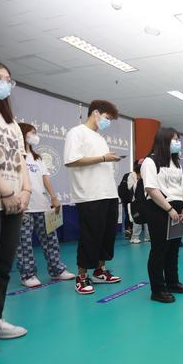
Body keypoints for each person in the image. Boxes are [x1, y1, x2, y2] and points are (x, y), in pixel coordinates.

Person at [64, 99, 122, 295]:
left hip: (109, 193)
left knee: (107, 235)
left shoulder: (100, 138)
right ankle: (81, 276)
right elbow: (71, 160)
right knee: (91, 236)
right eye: (107, 118)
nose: (108, 122)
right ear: (95, 113)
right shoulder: (77, 132)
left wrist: (108, 159)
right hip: (89, 194)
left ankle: (99, 270)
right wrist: (104, 158)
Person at [0, 60, 31, 348]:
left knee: (3, 266)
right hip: (1, 198)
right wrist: (6, 191)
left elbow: (21, 161)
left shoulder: (12, 123)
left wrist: (26, 190)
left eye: (8, 79)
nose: (4, 84)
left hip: (15, 202)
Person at [16, 123, 75, 287]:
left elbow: (45, 178)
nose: (35, 136)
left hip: (42, 205)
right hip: (24, 207)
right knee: (24, 243)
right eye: (32, 133)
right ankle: (27, 275)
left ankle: (57, 270)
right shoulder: (16, 155)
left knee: (51, 240)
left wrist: (54, 198)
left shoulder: (37, 158)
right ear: (22, 134)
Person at [141, 127, 183, 303]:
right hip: (159, 208)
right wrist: (169, 209)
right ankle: (157, 289)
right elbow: (151, 189)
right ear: (164, 140)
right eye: (174, 140)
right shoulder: (150, 161)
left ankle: (172, 282)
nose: (178, 143)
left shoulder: (176, 163)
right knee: (159, 250)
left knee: (173, 249)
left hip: (179, 209)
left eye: (178, 140)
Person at [128, 159, 149, 244]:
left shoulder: (144, 181)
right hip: (136, 206)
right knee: (137, 221)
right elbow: (133, 194)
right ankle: (134, 237)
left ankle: (148, 237)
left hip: (144, 205)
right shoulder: (137, 181)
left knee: (147, 221)